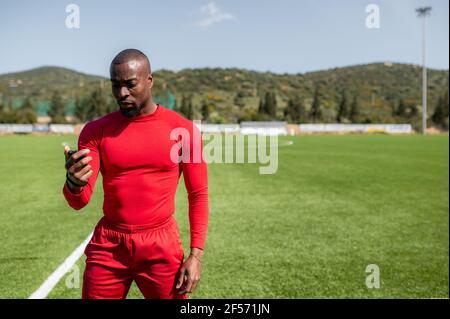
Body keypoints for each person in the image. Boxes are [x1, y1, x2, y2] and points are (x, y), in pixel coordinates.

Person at [62, 49, 208, 299]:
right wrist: (74, 184)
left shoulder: (182, 130)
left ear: (149, 80)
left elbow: (198, 194)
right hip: (109, 245)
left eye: (130, 84)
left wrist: (195, 255)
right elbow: (79, 201)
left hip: (161, 245)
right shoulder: (95, 131)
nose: (122, 94)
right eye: (115, 86)